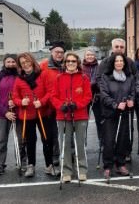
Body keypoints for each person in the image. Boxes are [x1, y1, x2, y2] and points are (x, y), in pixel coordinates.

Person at [51, 52, 92, 182]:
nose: (70, 63)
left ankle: (82, 169)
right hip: (63, 116)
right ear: (65, 63)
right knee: (65, 144)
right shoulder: (58, 78)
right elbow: (53, 96)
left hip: (80, 115)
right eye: (68, 61)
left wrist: (77, 105)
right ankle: (67, 171)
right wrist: (60, 105)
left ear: (77, 63)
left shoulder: (84, 78)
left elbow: (88, 96)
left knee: (80, 143)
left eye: (73, 61)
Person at [96, 38, 137, 162]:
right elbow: (99, 80)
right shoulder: (104, 62)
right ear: (112, 47)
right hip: (110, 104)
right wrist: (110, 99)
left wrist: (131, 98)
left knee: (125, 132)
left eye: (121, 47)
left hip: (125, 104)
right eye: (117, 47)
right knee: (109, 134)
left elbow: (134, 80)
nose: (119, 49)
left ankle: (125, 153)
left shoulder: (129, 62)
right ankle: (109, 156)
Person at [13, 52, 54, 177]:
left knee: (47, 139)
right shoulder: (19, 79)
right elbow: (15, 96)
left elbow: (50, 91)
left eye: (27, 61)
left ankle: (49, 165)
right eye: (23, 63)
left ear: (32, 61)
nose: (26, 65)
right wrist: (21, 102)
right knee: (30, 141)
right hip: (28, 114)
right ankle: (31, 165)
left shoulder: (43, 74)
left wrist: (41, 102)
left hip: (43, 113)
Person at [0, 54, 25, 175]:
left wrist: (17, 103)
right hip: (1, 113)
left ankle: (21, 163)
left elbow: (25, 93)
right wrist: (5, 112)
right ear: (4, 63)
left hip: (19, 112)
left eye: (13, 62)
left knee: (21, 140)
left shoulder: (21, 76)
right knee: (1, 141)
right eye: (8, 62)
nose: (11, 64)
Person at [39, 41, 66, 166]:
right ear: (51, 52)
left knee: (65, 131)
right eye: (57, 52)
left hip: (64, 105)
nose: (59, 54)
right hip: (49, 106)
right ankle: (55, 155)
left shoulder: (67, 65)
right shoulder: (43, 66)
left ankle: (67, 153)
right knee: (52, 133)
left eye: (61, 52)